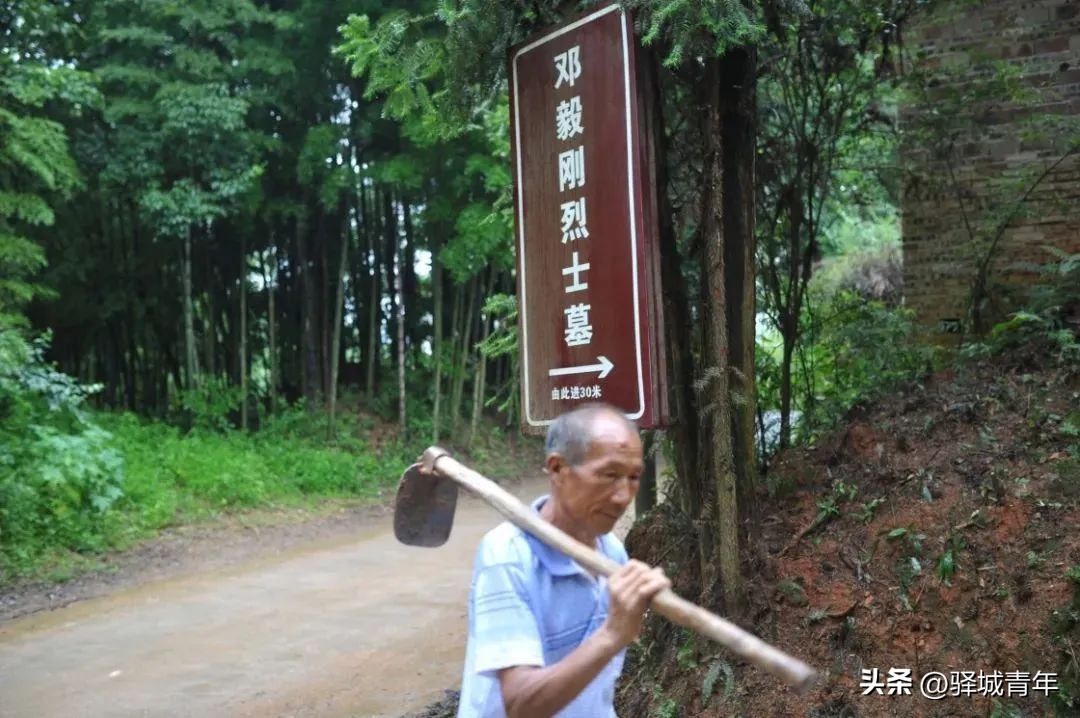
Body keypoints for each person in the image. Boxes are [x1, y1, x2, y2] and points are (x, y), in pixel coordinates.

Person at [456, 403, 671, 718]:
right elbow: (520, 704)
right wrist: (612, 635)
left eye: (634, 477)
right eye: (609, 475)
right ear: (557, 469)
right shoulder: (507, 557)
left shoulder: (611, 553)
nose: (623, 495)